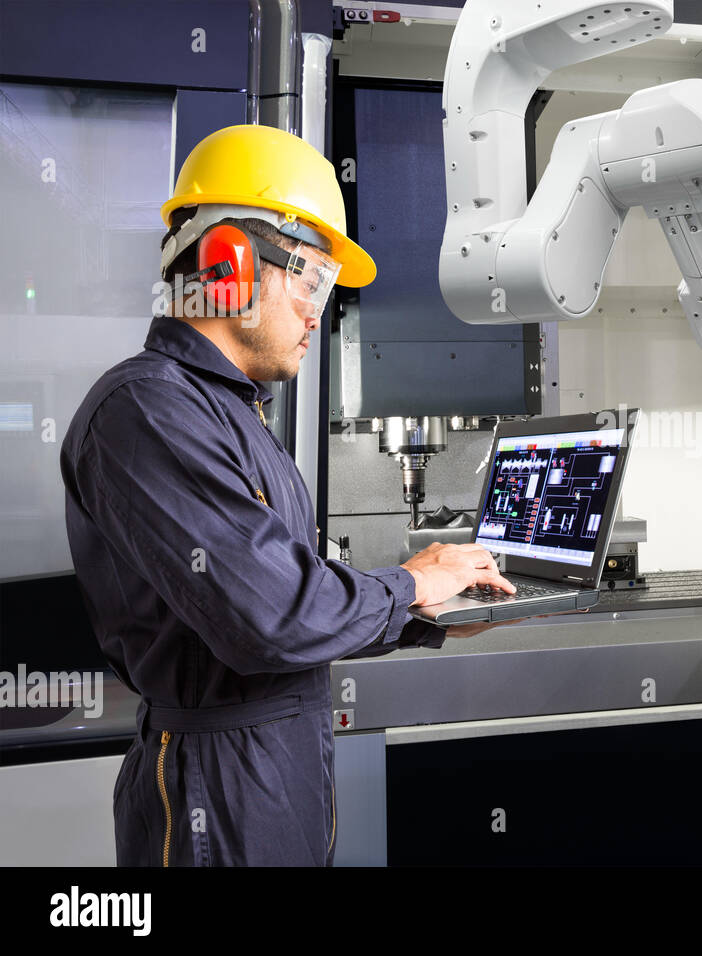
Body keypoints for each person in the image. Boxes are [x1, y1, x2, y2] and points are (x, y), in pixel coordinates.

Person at [59, 124, 513, 866]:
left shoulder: (227, 411)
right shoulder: (146, 411)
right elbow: (271, 617)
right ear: (229, 261)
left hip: (275, 766)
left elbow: (283, 598)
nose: (317, 313)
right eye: (312, 281)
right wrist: (407, 586)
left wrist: (420, 611)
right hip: (219, 790)